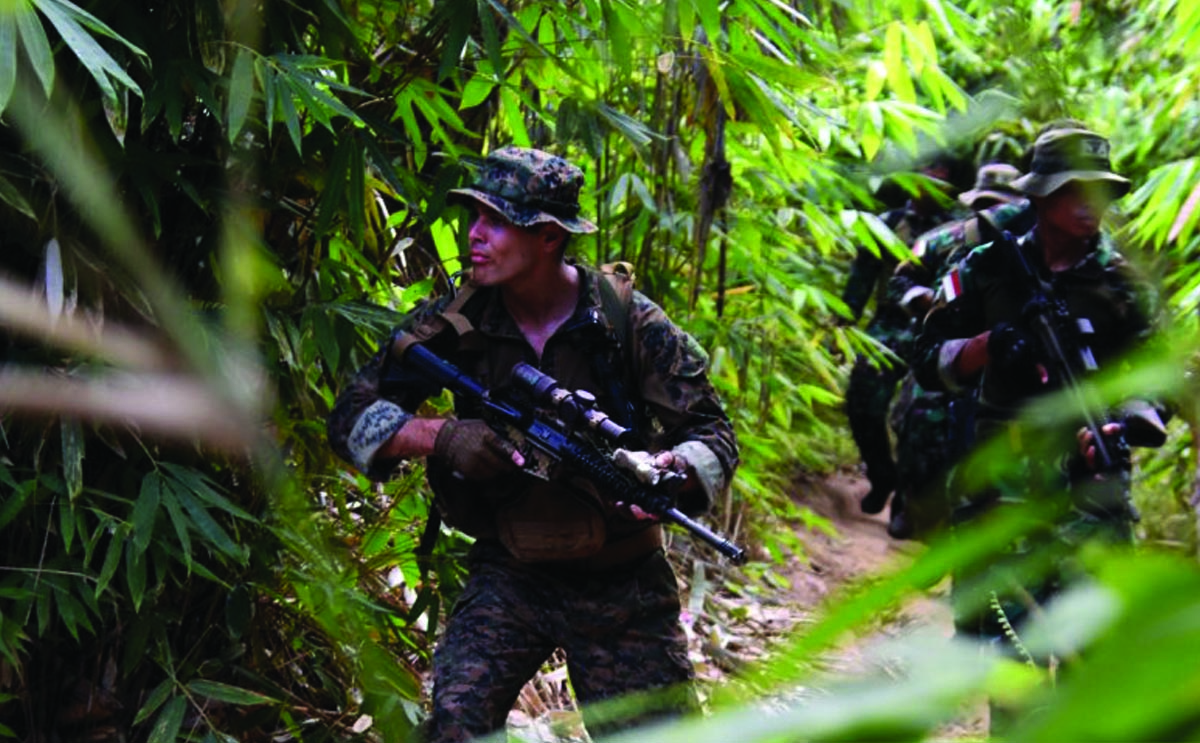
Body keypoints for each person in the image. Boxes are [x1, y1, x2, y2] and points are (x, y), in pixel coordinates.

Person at [326, 146, 739, 742]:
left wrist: (675, 471)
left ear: (548, 237)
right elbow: (349, 417)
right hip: (510, 570)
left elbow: (714, 433)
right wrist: (439, 436)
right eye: (475, 217)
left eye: (497, 221)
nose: (475, 236)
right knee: (454, 727)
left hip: (621, 579)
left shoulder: (627, 321)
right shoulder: (453, 324)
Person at [912, 127, 1165, 731]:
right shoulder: (986, 266)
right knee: (1008, 668)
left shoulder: (1123, 285)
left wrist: (1120, 422)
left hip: (1091, 501)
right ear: (1042, 197)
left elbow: (1157, 375)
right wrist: (985, 348)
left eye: (1098, 191)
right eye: (1073, 189)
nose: (1087, 204)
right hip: (1000, 496)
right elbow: (927, 359)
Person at [883, 162, 1033, 539]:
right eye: (985, 202)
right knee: (918, 425)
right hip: (946, 347)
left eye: (1000, 203)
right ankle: (909, 503)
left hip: (1005, 360)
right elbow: (900, 279)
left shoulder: (1031, 250)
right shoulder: (944, 239)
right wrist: (927, 303)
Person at [842, 156, 960, 517]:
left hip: (936, 328)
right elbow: (861, 279)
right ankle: (882, 477)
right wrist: (843, 322)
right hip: (889, 325)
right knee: (862, 400)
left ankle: (909, 501)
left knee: (924, 418)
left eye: (939, 183)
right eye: (924, 179)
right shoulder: (889, 225)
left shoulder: (953, 230)